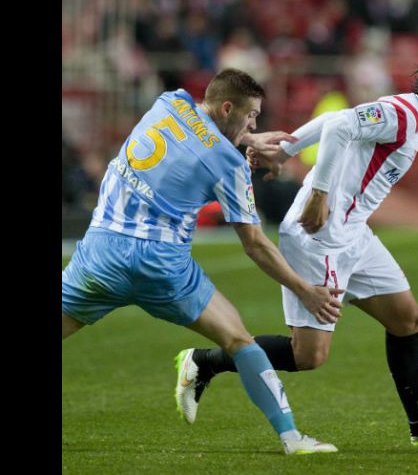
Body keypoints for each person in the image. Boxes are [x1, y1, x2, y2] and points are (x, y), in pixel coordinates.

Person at [176, 47, 418, 445]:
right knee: (308, 356)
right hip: (318, 238)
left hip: (353, 235)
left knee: (407, 319)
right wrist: (319, 194)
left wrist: (284, 152)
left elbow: (335, 119)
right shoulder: (405, 115)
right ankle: (203, 362)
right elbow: (340, 126)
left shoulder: (409, 117)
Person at [61, 68, 344, 455]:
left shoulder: (168, 103)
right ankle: (292, 438)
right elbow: (256, 245)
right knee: (240, 342)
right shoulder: (227, 165)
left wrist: (247, 136)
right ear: (228, 107)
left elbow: (202, 124)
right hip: (160, 267)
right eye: (251, 116)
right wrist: (304, 290)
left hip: (100, 256)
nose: (255, 122)